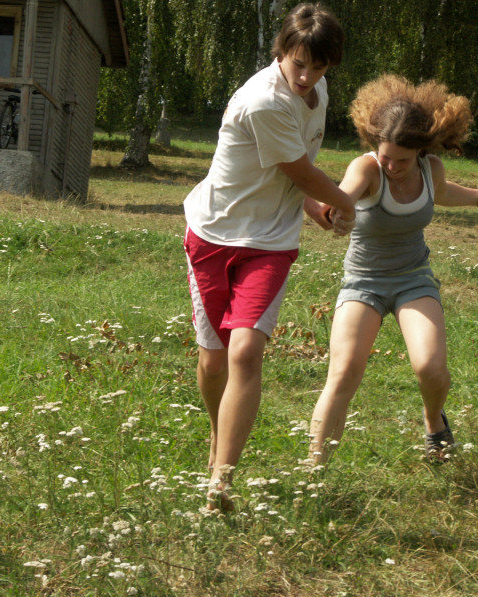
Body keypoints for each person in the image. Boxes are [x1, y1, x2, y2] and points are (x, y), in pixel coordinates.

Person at [182, 3, 355, 511]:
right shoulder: (263, 100)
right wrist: (345, 203)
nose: (307, 78)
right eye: (299, 65)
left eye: (319, 68)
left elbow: (290, 174)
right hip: (213, 234)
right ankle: (218, 436)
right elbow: (300, 171)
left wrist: (315, 209)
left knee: (245, 352)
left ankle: (221, 481)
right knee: (213, 359)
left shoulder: (317, 91)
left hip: (270, 243)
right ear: (281, 51)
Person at [307, 74, 478, 466]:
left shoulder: (431, 169)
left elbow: (443, 193)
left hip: (413, 279)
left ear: (420, 150)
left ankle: (434, 422)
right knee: (343, 372)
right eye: (385, 156)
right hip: (363, 282)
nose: (392, 166)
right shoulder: (366, 169)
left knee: (430, 368)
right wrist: (335, 211)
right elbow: (340, 198)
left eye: (402, 160)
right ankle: (314, 471)